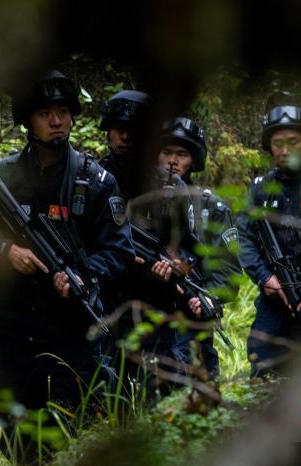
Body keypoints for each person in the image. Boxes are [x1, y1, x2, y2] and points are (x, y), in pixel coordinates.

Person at [0, 70, 135, 462]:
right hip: (14, 324)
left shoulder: (95, 181)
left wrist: (84, 274)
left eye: (63, 112)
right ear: (28, 121)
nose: (56, 121)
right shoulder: (1, 177)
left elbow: (119, 249)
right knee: (11, 417)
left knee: (72, 419)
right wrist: (4, 250)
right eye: (45, 113)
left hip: (71, 325)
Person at [98, 91, 201, 397]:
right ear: (108, 131)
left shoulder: (172, 186)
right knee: (103, 393)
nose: (127, 137)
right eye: (119, 129)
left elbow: (190, 247)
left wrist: (176, 265)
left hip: (155, 304)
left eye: (135, 130)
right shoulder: (91, 179)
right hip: (104, 301)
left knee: (156, 393)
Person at [236, 104, 301, 378]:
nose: (285, 150)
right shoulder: (261, 188)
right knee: (262, 368)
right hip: (274, 300)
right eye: (278, 144)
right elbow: (244, 238)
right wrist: (264, 277)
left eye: (293, 142)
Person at [156, 117, 241, 380]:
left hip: (192, 319)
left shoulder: (211, 207)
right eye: (166, 152)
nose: (173, 161)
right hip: (146, 316)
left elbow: (228, 273)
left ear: (193, 160)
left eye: (181, 154)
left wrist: (208, 297)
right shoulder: (138, 201)